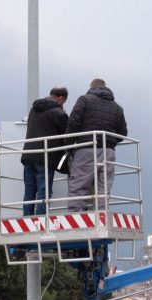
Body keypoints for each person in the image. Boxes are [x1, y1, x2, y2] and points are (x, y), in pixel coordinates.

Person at [65, 79, 128, 211]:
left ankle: (76, 215)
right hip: (108, 151)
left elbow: (73, 123)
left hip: (86, 147)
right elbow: (123, 132)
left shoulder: (84, 100)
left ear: (91, 87)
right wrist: (110, 142)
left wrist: (69, 147)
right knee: (104, 187)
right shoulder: (117, 107)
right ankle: (102, 214)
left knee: (79, 184)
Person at [21, 87, 69, 217]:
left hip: (28, 155)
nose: (62, 105)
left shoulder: (34, 109)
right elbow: (67, 135)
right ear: (60, 98)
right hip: (45, 157)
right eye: (63, 102)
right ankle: (41, 220)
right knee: (43, 190)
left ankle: (27, 218)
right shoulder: (58, 112)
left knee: (29, 190)